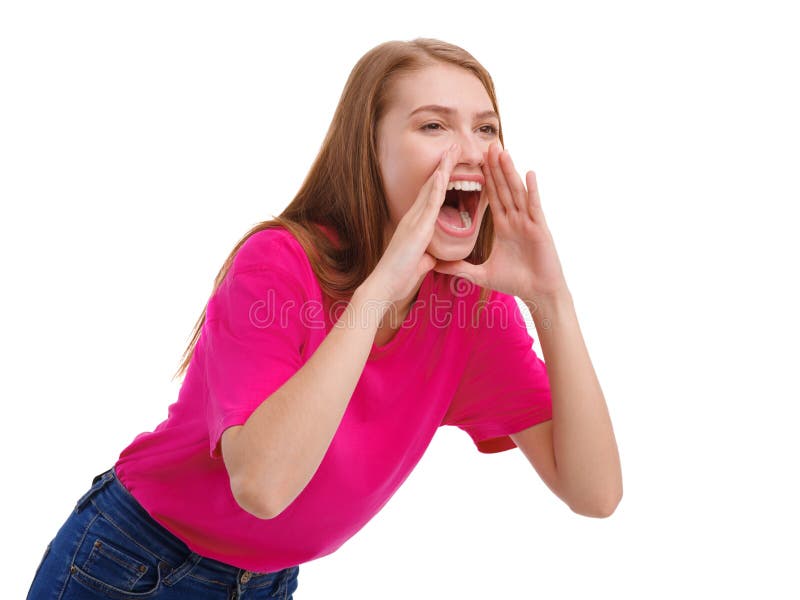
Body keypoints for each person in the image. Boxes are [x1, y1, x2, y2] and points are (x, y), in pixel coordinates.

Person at [27, 37, 622, 599]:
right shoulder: (276, 265)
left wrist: (551, 298)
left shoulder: (471, 308)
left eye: (486, 127)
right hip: (131, 562)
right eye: (434, 125)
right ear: (370, 150)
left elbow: (596, 493)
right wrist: (385, 283)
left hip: (266, 582)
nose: (471, 149)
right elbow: (262, 486)